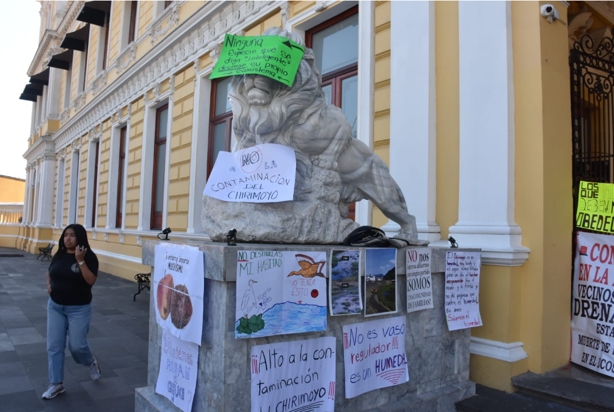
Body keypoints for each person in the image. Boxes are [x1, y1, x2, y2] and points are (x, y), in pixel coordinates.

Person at [42, 224, 101, 400]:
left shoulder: (89, 257)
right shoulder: (59, 254)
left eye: (72, 235)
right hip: (55, 307)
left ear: (80, 238)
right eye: (66, 235)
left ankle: (90, 361)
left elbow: (91, 281)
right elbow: (50, 272)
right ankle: (56, 384)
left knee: (77, 346)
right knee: (54, 346)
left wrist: (80, 260)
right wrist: (48, 285)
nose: (68, 238)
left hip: (79, 309)